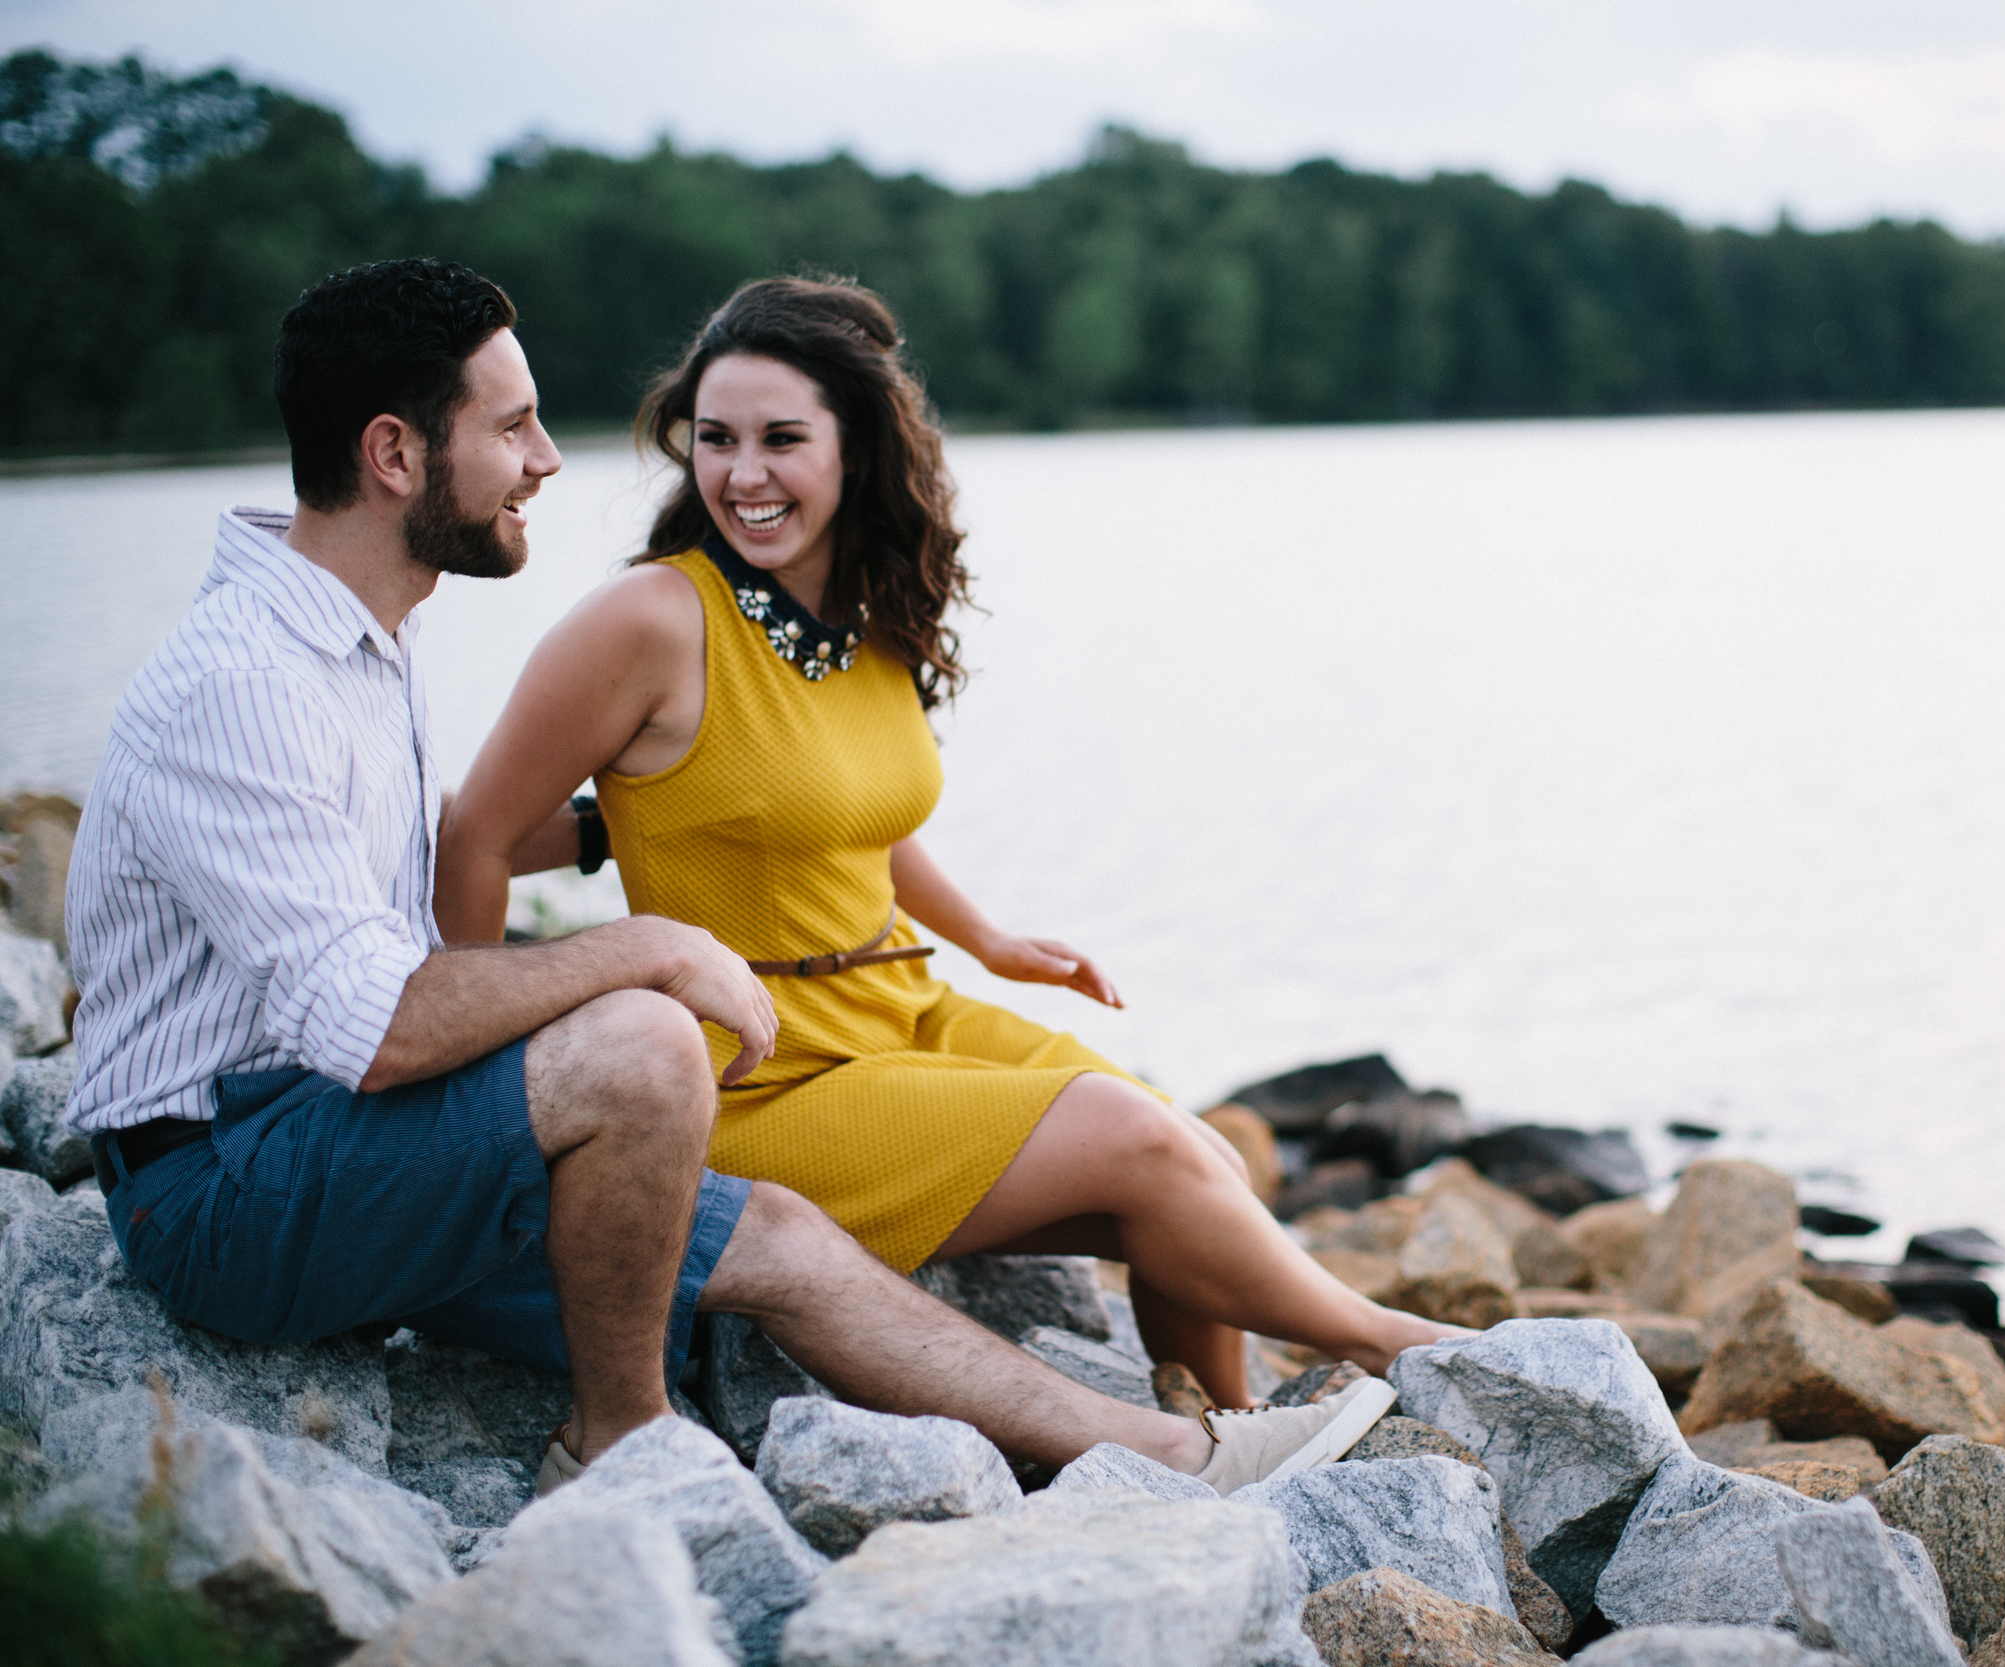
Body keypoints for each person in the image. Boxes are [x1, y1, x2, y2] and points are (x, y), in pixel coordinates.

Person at [63, 257, 1394, 1495]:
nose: (544, 460)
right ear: (396, 452)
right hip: (227, 1182)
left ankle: (1180, 1457)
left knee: (792, 1245)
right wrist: (657, 946)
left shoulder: (357, 642)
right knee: (642, 1035)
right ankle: (623, 1438)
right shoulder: (248, 679)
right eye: (514, 427)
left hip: (344, 1135)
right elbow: (379, 1020)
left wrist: (628, 827)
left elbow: (406, 854)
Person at [434, 276, 1458, 1407]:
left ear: (858, 447)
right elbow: (473, 835)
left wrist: (985, 935)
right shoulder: (651, 620)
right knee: (1134, 1135)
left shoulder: (869, 617)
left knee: (1195, 1154)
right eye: (715, 440)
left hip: (898, 1004)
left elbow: (857, 823)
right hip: (754, 1072)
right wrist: (474, 1087)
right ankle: (1392, 1341)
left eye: (782, 438)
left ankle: (1227, 1430)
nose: (741, 474)